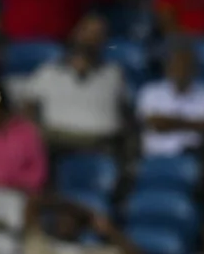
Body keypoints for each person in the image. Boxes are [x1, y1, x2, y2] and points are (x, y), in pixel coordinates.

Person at [21, 14, 127, 153]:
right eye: (87, 31)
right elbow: (28, 105)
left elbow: (126, 112)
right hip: (56, 144)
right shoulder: (49, 72)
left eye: (98, 33)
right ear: (75, 33)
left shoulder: (114, 73)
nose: (91, 38)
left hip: (104, 144)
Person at [136, 44, 204, 158]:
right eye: (177, 66)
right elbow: (155, 124)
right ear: (168, 68)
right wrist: (193, 124)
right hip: (157, 155)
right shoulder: (150, 91)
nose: (181, 71)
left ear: (195, 69)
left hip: (194, 157)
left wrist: (168, 122)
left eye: (186, 67)